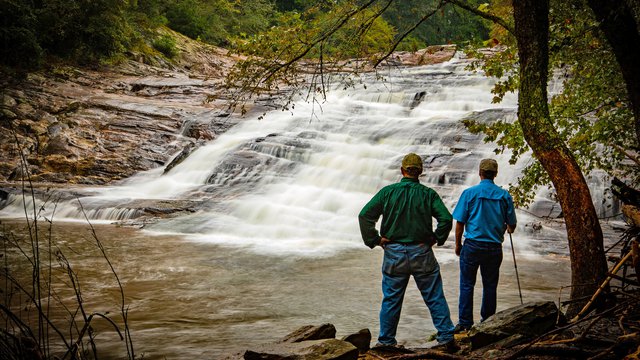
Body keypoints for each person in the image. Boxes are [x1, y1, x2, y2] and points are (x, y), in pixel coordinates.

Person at [358, 153, 457, 351]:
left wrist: (375, 239)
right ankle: (446, 337)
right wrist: (436, 238)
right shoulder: (428, 194)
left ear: (402, 170)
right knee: (434, 295)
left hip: (394, 252)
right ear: (420, 172)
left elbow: (365, 215)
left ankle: (386, 341)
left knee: (391, 299)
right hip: (421, 251)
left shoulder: (387, 192)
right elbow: (446, 219)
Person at [452, 158, 517, 333]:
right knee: (490, 285)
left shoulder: (469, 193)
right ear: (495, 174)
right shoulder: (504, 196)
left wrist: (458, 245)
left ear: (480, 173)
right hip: (494, 248)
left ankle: (465, 323)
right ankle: (487, 322)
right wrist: (506, 227)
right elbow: (512, 223)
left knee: (467, 284)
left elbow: (460, 222)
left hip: (472, 245)